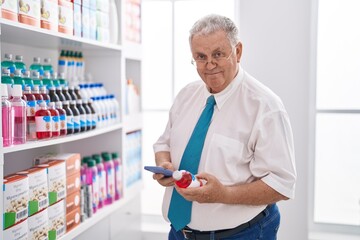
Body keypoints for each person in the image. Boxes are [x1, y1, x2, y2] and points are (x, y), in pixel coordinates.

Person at [152, 14, 296, 240]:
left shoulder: (266, 107)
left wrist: (223, 194)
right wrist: (164, 166)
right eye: (200, 57)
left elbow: (282, 185)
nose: (209, 65)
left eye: (218, 54)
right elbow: (163, 144)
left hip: (242, 234)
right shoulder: (186, 96)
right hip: (179, 233)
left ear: (237, 52)